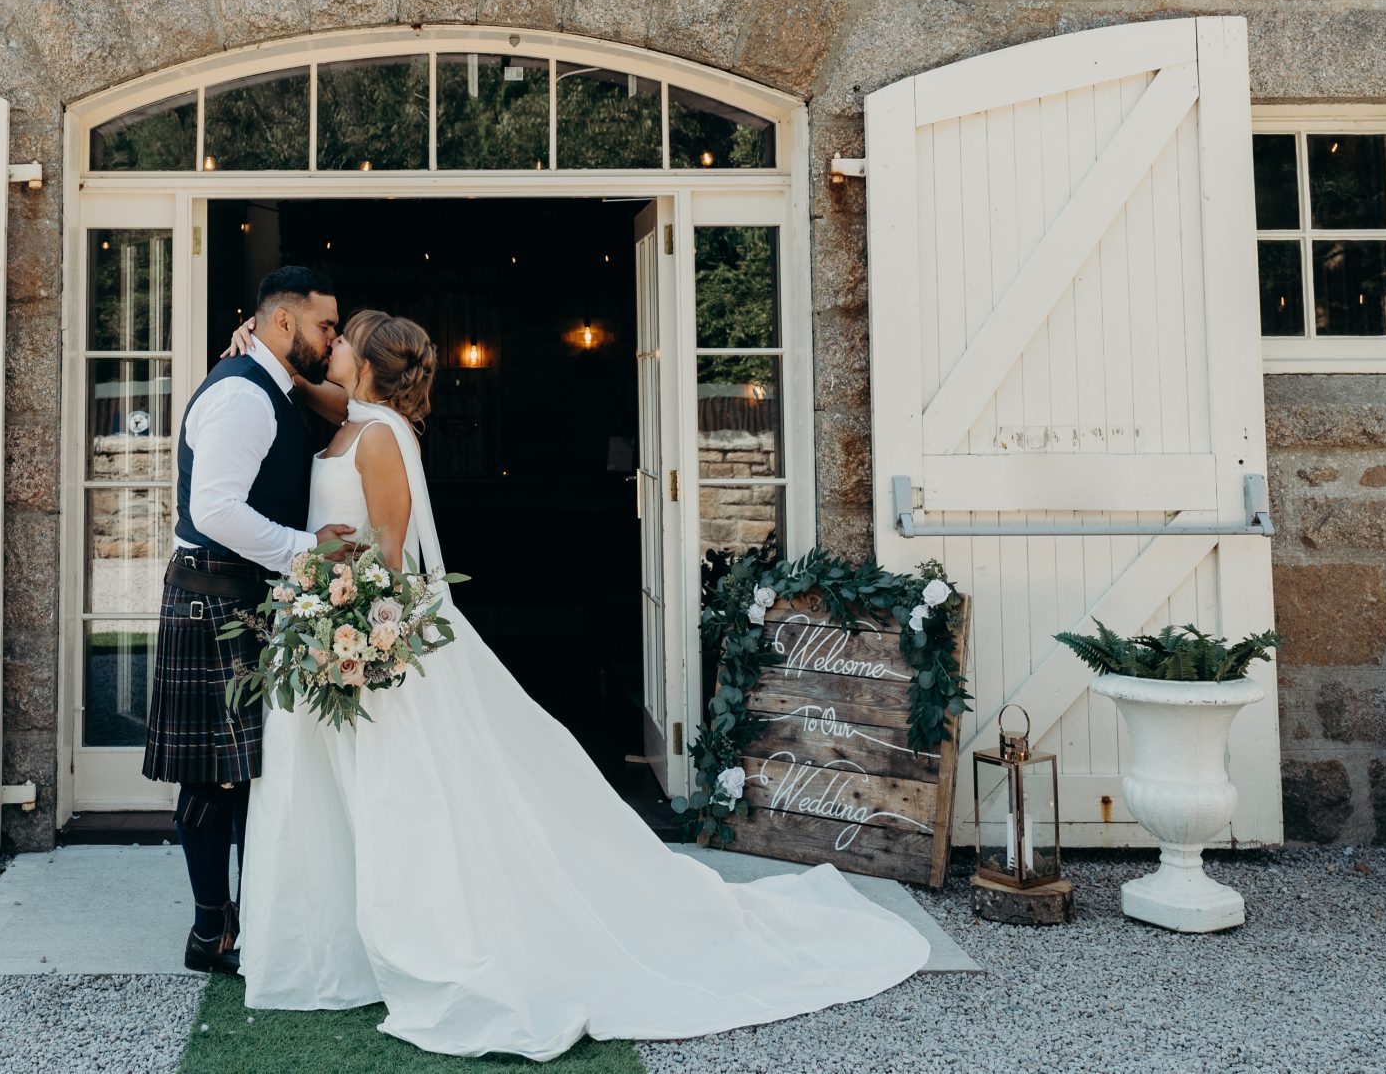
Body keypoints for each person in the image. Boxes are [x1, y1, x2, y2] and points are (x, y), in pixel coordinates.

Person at [239, 309, 929, 1059]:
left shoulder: (377, 439)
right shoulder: (353, 419)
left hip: (372, 643)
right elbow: (323, 400)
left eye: (342, 339)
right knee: (362, 794)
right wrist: (274, 368)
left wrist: (331, 608)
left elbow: (391, 556)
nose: (329, 343)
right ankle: (352, 941)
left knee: (405, 796)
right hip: (333, 637)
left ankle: (431, 938)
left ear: (367, 362)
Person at [141, 265, 364, 977]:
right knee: (213, 777)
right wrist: (310, 550)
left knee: (241, 772)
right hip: (216, 597)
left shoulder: (267, 381)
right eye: (325, 325)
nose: (333, 338)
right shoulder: (242, 393)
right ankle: (211, 933)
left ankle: (241, 917)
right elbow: (214, 511)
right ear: (282, 321)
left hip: (237, 597)